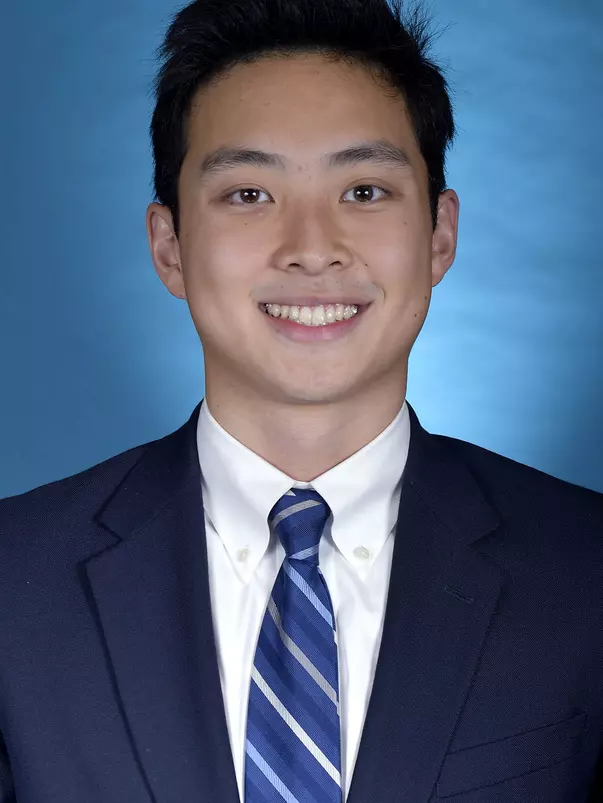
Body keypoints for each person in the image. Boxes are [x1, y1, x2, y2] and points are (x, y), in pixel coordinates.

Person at [1, 0, 602, 800]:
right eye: (249, 194)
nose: (312, 248)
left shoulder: (584, 568)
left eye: (363, 190)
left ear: (438, 236)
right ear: (169, 247)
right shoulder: (14, 582)